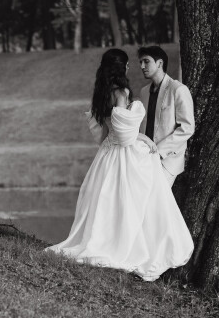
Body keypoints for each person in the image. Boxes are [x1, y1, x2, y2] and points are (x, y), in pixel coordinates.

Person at [46, 49, 193, 281]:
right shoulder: (126, 92)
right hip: (124, 153)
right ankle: (134, 248)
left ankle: (116, 241)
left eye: (145, 62)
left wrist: (147, 143)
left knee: (113, 203)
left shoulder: (103, 93)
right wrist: (145, 140)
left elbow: (107, 133)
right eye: (129, 64)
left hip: (109, 155)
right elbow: (125, 135)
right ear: (120, 68)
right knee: (133, 203)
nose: (135, 67)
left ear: (160, 62)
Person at [137, 45, 195, 187]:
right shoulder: (144, 92)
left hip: (167, 161)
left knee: (155, 203)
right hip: (145, 158)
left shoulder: (178, 89)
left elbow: (187, 128)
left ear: (160, 63)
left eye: (146, 61)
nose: (142, 66)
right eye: (140, 62)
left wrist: (160, 151)